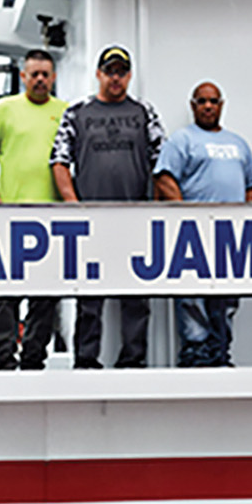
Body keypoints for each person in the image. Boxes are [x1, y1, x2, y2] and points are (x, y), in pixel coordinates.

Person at [51, 44, 165, 368]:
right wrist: (75, 207)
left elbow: (162, 162)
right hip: (92, 221)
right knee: (89, 296)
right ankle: (86, 359)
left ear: (128, 76)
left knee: (137, 295)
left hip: (136, 218)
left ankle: (133, 359)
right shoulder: (77, 112)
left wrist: (154, 206)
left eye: (121, 71)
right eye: (109, 71)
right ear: (98, 74)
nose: (115, 77)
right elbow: (59, 161)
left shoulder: (144, 112)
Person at [155, 81, 252, 367]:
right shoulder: (181, 140)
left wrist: (244, 216)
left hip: (231, 236)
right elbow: (164, 178)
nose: (208, 106)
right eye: (202, 101)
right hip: (192, 236)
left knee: (226, 300)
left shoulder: (238, 143)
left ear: (221, 105)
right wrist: (186, 213)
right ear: (193, 105)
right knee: (192, 297)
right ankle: (195, 356)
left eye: (213, 101)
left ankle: (220, 355)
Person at [0, 49, 66, 370]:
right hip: (11, 217)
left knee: (45, 294)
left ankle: (33, 357)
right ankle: (3, 358)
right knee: (5, 292)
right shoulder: (4, 109)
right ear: (23, 77)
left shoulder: (66, 111)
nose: (40, 79)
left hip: (53, 218)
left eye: (46, 74)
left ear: (53, 77)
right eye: (34, 74)